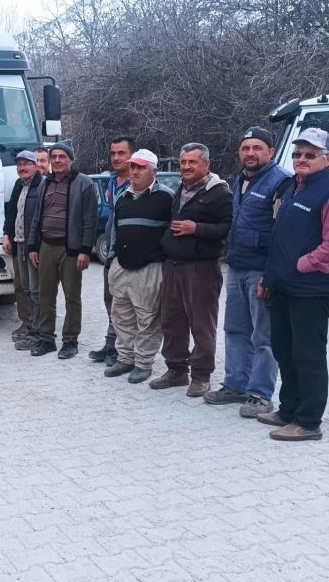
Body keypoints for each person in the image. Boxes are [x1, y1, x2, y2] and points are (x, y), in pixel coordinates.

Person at [204, 127, 289, 417]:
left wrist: (271, 275)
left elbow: (282, 234)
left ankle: (260, 394)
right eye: (245, 148)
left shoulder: (280, 182)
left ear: (270, 152)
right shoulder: (240, 179)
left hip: (260, 272)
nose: (250, 153)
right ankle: (236, 384)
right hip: (237, 267)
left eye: (257, 148)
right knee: (235, 330)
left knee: (263, 337)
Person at [257, 128, 329, 441]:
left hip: (311, 290)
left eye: (310, 154)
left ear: (325, 158)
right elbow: (281, 238)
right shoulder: (293, 187)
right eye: (298, 153)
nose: (301, 159)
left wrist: (299, 266)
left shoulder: (325, 189)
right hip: (284, 286)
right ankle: (288, 409)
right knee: (284, 350)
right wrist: (271, 277)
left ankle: (309, 421)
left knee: (308, 355)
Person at [150, 143, 232, 397]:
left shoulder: (220, 193)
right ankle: (176, 370)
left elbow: (228, 228)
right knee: (172, 322)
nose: (185, 167)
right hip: (173, 265)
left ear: (206, 164)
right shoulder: (181, 189)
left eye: (192, 162)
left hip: (201, 268)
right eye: (182, 162)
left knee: (201, 322)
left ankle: (201, 374)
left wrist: (196, 228)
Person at [103, 149, 173, 384]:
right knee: (121, 315)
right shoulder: (123, 198)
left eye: (141, 167)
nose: (135, 171)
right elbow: (114, 230)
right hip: (122, 268)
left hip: (150, 268)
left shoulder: (167, 198)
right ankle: (125, 358)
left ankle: (143, 363)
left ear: (154, 171)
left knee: (148, 319)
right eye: (133, 166)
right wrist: (111, 259)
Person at [27, 140, 99, 359]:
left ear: (71, 160)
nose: (57, 160)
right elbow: (37, 217)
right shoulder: (44, 184)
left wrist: (85, 250)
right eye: (54, 157)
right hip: (46, 246)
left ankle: (70, 340)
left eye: (62, 157)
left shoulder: (84, 183)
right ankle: (46, 338)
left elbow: (90, 219)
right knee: (45, 296)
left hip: (71, 250)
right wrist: (32, 245)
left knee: (72, 297)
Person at [90, 136, 134, 366]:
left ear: (131, 155)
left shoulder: (138, 183)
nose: (116, 158)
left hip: (130, 254)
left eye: (121, 153)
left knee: (127, 303)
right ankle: (111, 344)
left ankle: (124, 349)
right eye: (113, 153)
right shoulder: (112, 182)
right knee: (111, 300)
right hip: (111, 252)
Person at [3, 150, 43, 347]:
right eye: (19, 164)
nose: (22, 168)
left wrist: (36, 244)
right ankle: (27, 324)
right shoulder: (19, 185)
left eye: (26, 164)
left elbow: (41, 218)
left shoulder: (42, 185)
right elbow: (12, 212)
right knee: (23, 286)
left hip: (33, 245)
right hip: (18, 242)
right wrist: (6, 234)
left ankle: (38, 328)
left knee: (35, 289)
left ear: (36, 166)